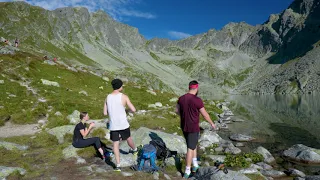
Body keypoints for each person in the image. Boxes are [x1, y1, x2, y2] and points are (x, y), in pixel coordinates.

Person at [176, 80, 216, 179]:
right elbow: (205, 114)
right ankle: (187, 171)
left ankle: (195, 165)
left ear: (189, 87)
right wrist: (212, 123)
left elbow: (177, 111)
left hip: (184, 126)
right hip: (193, 127)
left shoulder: (181, 98)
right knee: (190, 148)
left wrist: (184, 115)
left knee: (192, 145)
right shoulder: (197, 100)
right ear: (197, 88)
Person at [104, 79, 138, 172]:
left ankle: (118, 165)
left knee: (115, 144)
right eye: (122, 85)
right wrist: (126, 110)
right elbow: (133, 109)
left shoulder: (108, 97)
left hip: (113, 125)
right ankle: (134, 150)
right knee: (128, 138)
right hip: (123, 124)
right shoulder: (124, 96)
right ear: (119, 86)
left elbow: (104, 112)